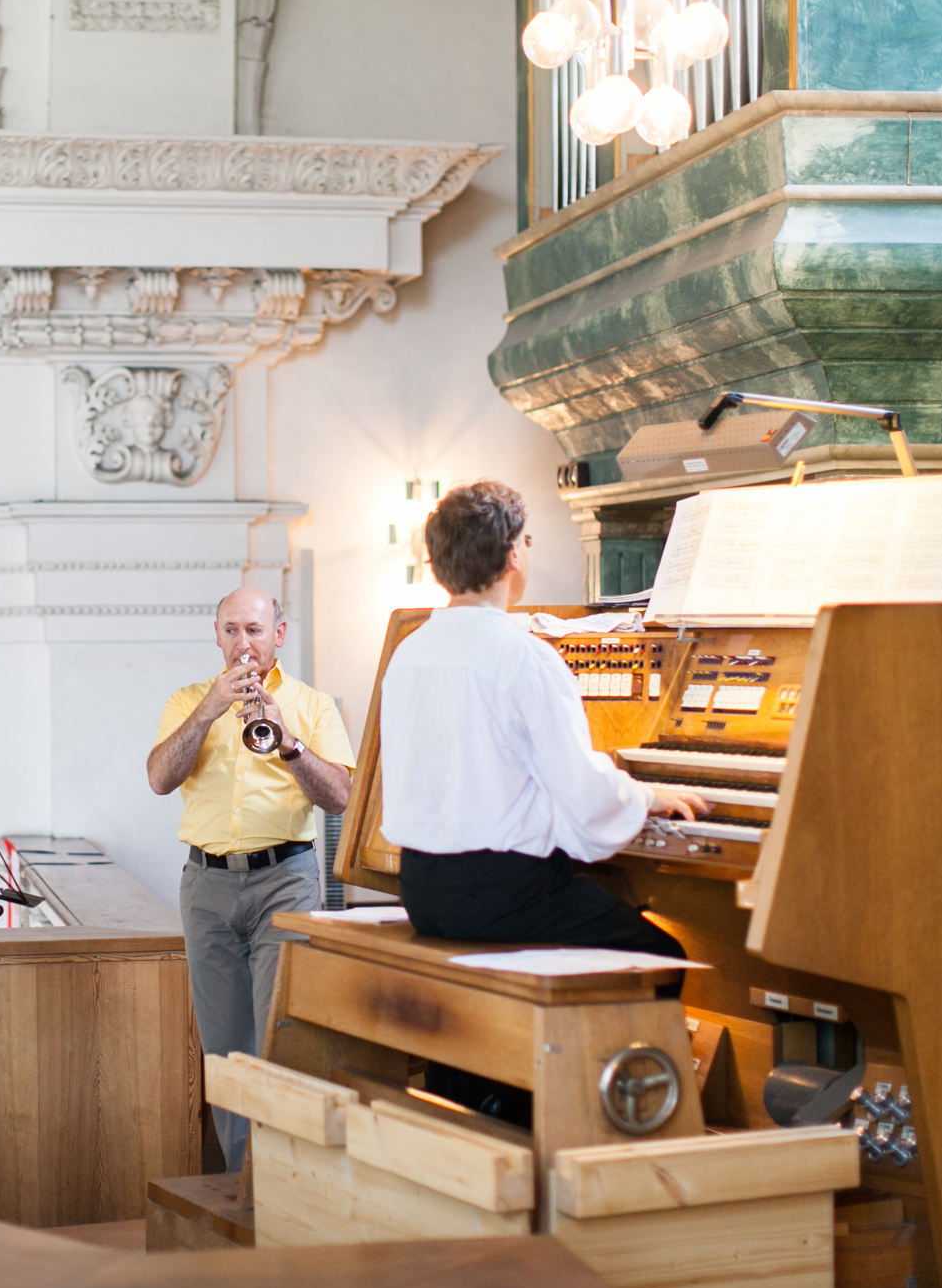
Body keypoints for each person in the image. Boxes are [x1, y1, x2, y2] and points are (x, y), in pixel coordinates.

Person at [377, 479, 707, 968]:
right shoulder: (524, 656)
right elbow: (581, 789)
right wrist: (647, 797)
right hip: (504, 896)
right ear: (513, 555)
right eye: (527, 541)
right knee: (663, 956)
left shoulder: (410, 650)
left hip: (422, 890)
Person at [148, 587, 354, 1171]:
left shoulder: (312, 705)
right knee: (226, 1048)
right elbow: (160, 779)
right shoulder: (188, 700)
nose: (244, 643)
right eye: (232, 630)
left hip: (284, 882)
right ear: (216, 636)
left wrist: (288, 742)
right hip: (207, 887)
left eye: (256, 631)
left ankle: (288, 1181)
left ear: (278, 636)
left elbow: (339, 798)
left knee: (280, 1038)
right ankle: (247, 1187)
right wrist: (210, 710)